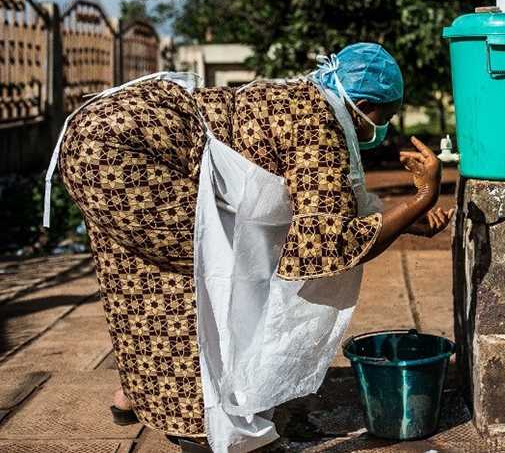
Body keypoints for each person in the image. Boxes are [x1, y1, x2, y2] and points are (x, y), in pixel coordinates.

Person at [46, 42, 454, 452]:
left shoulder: (300, 98)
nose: (383, 128)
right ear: (365, 103)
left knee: (141, 274)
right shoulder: (319, 124)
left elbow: (330, 203)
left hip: (94, 137)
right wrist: (421, 199)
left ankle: (140, 390)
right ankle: (205, 427)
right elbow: (329, 245)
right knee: (213, 273)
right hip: (128, 151)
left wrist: (405, 223)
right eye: (387, 116)